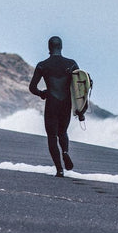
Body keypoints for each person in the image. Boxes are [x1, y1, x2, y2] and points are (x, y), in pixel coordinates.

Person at [29, 36, 79, 177]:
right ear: (61, 47)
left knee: (52, 136)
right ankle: (65, 152)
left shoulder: (42, 65)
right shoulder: (72, 64)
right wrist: (80, 109)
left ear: (49, 48)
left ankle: (59, 169)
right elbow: (79, 87)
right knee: (62, 132)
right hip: (66, 103)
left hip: (52, 103)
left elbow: (32, 87)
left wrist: (42, 94)